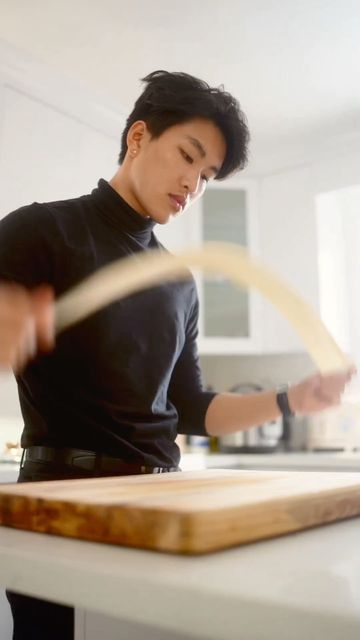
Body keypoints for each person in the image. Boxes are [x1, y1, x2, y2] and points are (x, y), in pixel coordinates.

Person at [0, 70, 353, 640]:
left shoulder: (178, 283)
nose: (193, 185)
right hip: (66, 504)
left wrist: (294, 398)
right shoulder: (42, 230)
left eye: (207, 176)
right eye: (187, 157)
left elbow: (192, 407)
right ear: (138, 138)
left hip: (163, 498)